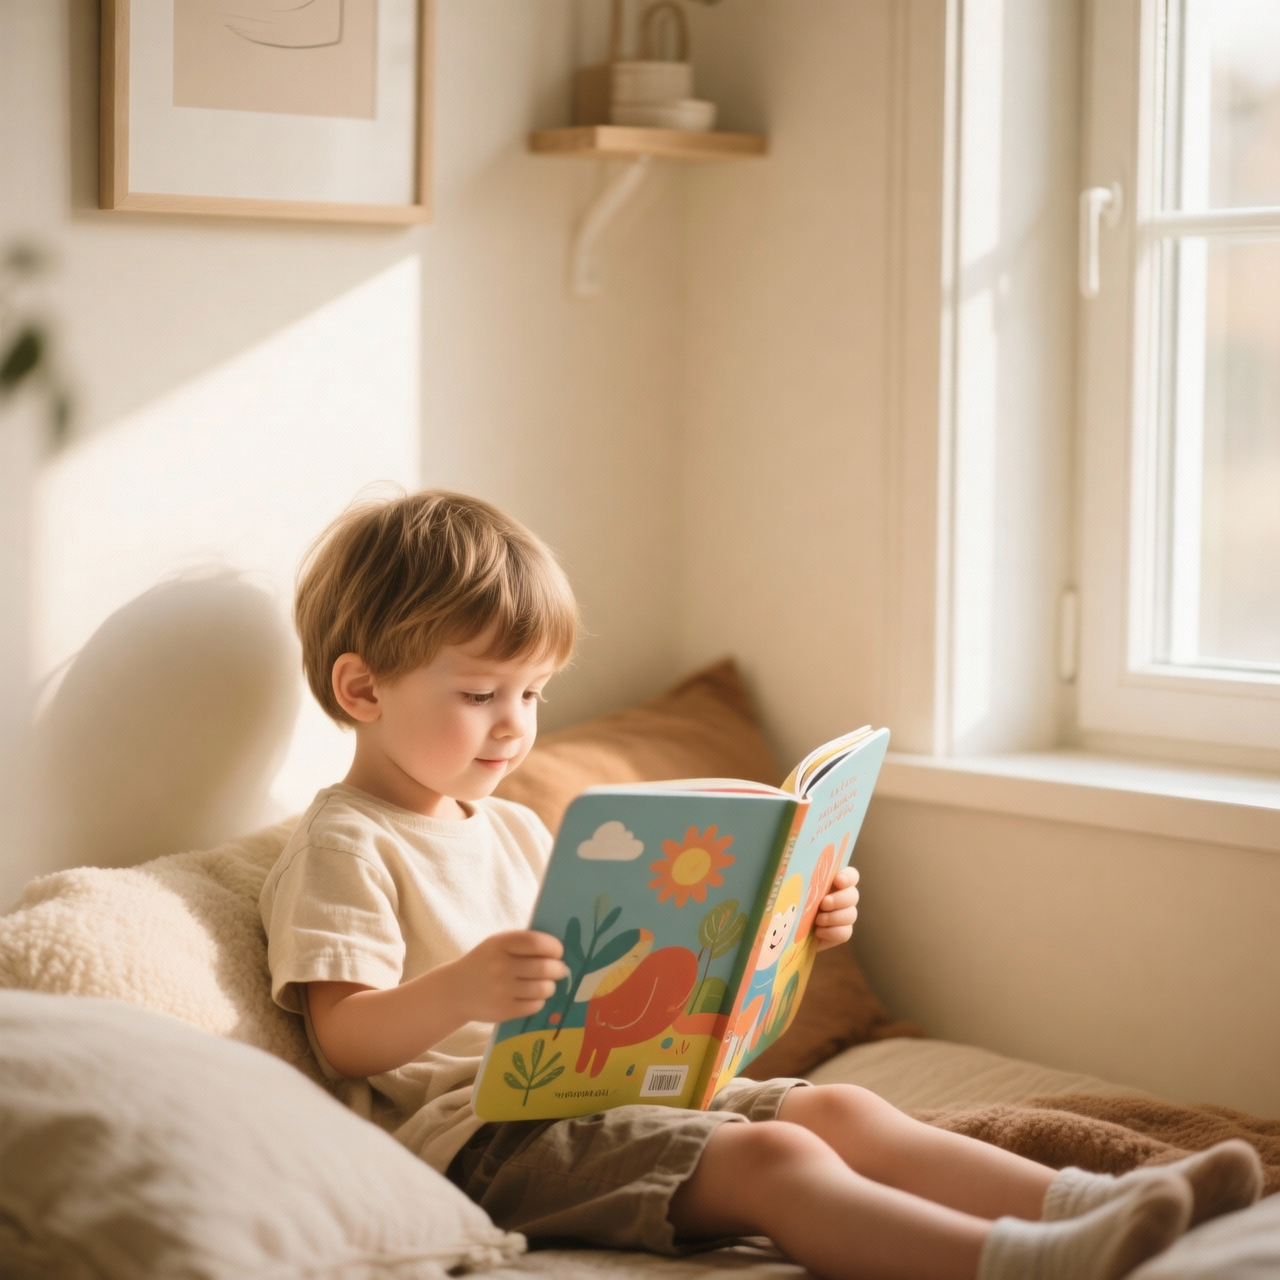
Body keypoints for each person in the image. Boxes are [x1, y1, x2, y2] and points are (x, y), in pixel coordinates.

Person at [261, 489, 1262, 1280]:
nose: (515, 724)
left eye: (531, 693)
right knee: (780, 1165)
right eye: (479, 694)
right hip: (489, 1139)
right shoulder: (345, 840)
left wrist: (783, 926)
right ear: (362, 689)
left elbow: (604, 983)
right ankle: (1018, 1261)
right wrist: (461, 990)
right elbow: (342, 1032)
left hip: (607, 1088)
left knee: (841, 1112)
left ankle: (1087, 1202)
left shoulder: (514, 824)